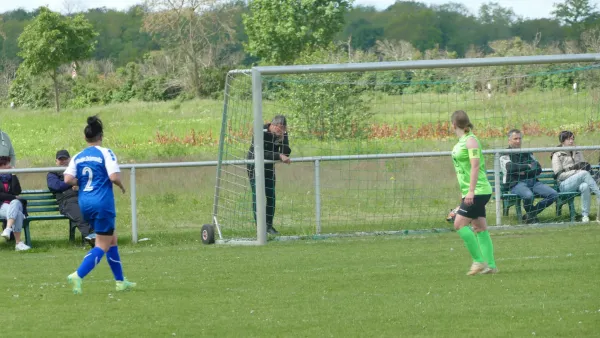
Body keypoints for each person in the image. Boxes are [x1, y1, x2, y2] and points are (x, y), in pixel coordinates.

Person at [65, 116, 135, 294]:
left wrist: (82, 182)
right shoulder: (105, 152)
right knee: (102, 245)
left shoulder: (78, 156)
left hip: (84, 202)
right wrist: (121, 185)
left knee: (111, 239)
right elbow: (113, 177)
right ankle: (78, 275)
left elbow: (67, 179)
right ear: (101, 136)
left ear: (85, 138)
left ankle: (120, 281)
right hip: (102, 202)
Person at [450, 110, 497, 275]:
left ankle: (478, 261)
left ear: (453, 125)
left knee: (459, 224)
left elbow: (475, 166)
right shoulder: (463, 140)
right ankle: (490, 265)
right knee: (479, 227)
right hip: (473, 191)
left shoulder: (470, 141)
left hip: (478, 191)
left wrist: (470, 191)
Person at [500, 129, 558, 224]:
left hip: (533, 182)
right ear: (509, 140)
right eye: (515, 139)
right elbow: (510, 168)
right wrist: (527, 166)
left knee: (553, 194)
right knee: (528, 196)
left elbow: (538, 168)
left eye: (520, 138)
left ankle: (530, 215)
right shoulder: (504, 153)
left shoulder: (527, 153)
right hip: (516, 184)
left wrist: (522, 171)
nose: (518, 141)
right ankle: (532, 216)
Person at [247, 115, 292, 235]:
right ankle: (260, 227)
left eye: (283, 128)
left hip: (269, 168)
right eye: (279, 127)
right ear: (273, 125)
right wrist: (279, 156)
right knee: (258, 195)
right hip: (254, 166)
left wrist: (282, 140)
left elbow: (286, 152)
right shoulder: (260, 131)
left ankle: (269, 226)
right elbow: (260, 153)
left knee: (271, 195)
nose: (280, 130)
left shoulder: (283, 133)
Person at [47, 149, 96, 246]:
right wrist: (72, 182)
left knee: (94, 213)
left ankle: (96, 238)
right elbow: (57, 186)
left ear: (70, 160)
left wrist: (78, 185)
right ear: (56, 161)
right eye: (60, 159)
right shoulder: (52, 174)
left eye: (65, 159)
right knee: (81, 217)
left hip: (82, 198)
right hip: (67, 202)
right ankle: (93, 240)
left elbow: (87, 182)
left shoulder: (77, 171)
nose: (63, 161)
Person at [551, 130, 600, 223]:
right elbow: (559, 175)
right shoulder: (556, 154)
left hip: (580, 181)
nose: (571, 141)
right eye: (569, 139)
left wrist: (580, 171)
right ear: (562, 141)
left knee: (585, 186)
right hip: (564, 185)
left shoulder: (577, 152)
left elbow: (583, 167)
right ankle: (598, 193)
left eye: (573, 139)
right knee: (584, 174)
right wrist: (576, 171)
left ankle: (585, 216)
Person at [0, 156, 30, 251]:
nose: (10, 166)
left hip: (15, 206)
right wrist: (13, 197)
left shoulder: (11, 177)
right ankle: (18, 243)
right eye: (7, 164)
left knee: (16, 203)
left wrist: (13, 175)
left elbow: (17, 191)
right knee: (19, 214)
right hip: (2, 206)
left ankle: (8, 228)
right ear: (1, 166)